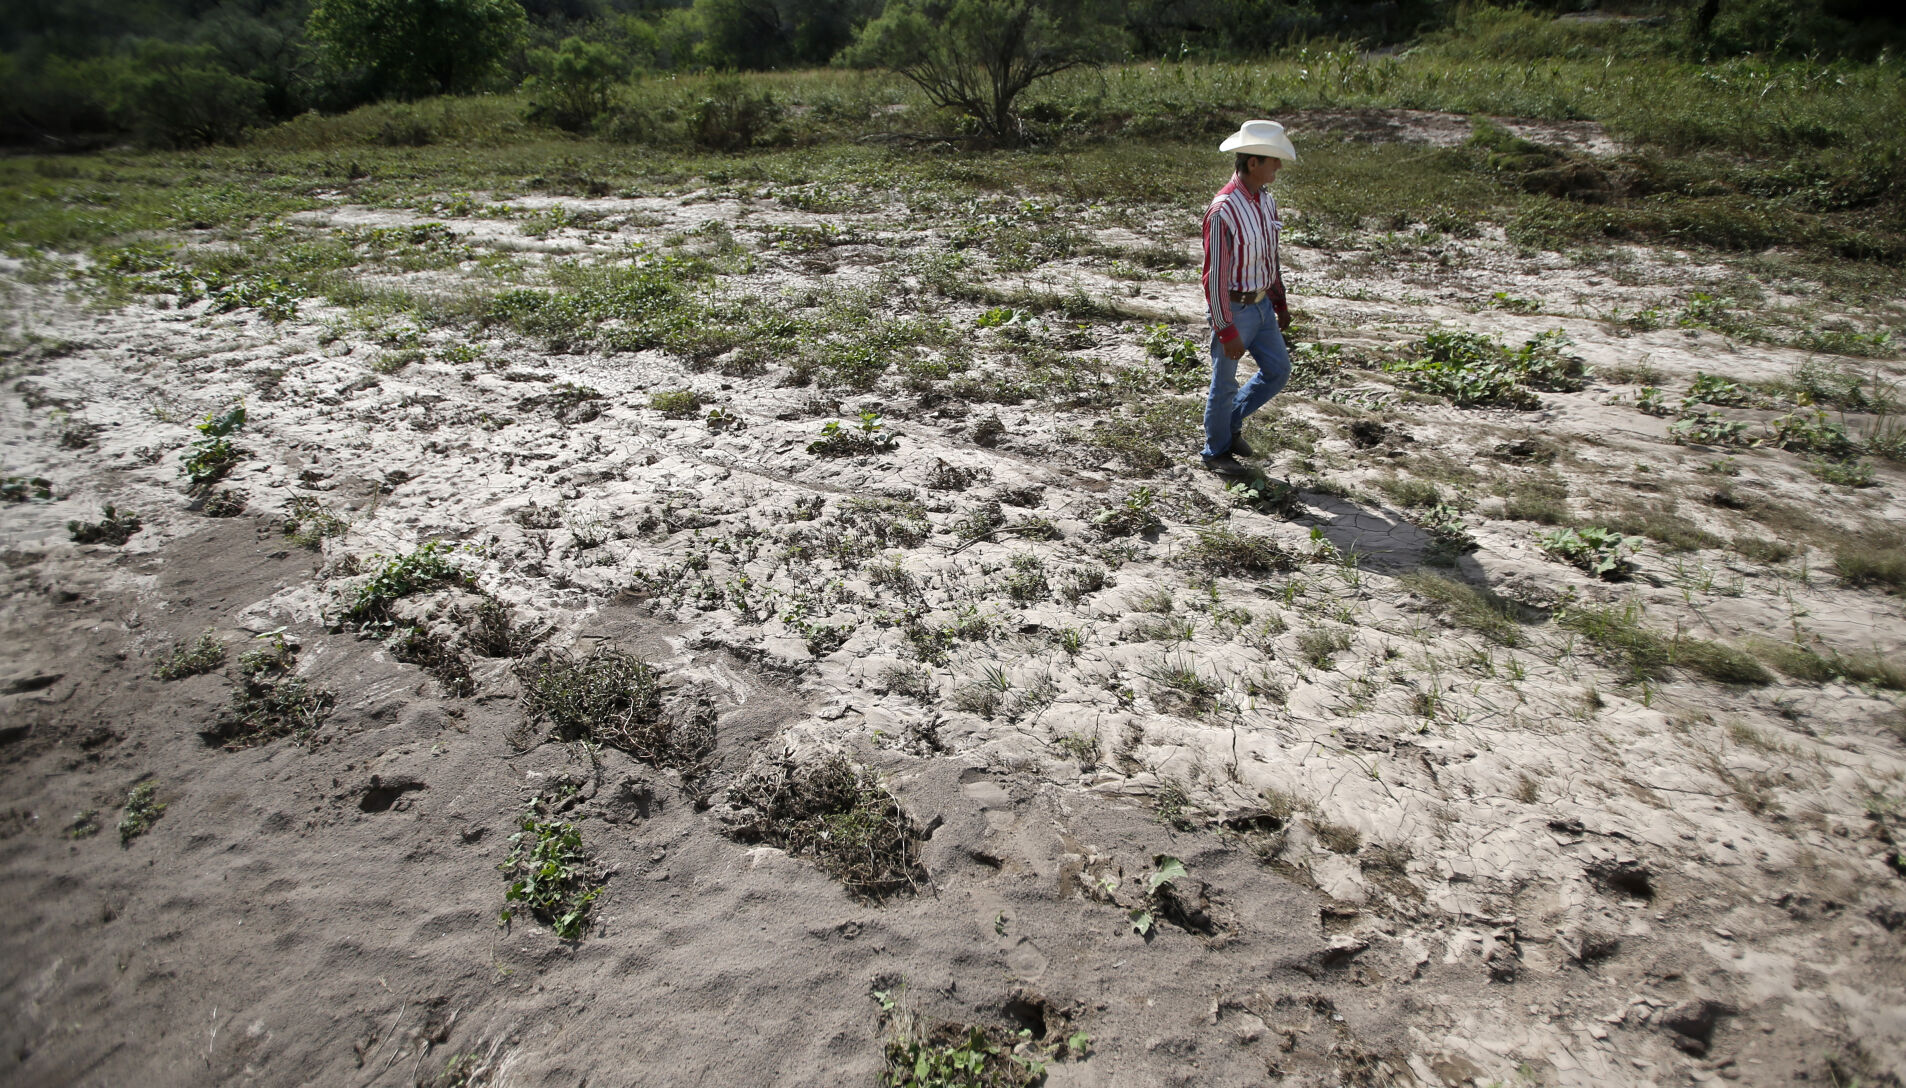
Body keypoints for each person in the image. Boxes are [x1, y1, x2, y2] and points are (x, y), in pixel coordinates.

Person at [1199, 119, 1298, 477]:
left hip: (1262, 305)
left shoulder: (1266, 201)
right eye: (1273, 160)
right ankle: (1215, 451)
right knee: (1224, 384)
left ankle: (1228, 426)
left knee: (1278, 371)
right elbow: (1214, 277)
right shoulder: (1223, 210)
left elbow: (1271, 256)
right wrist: (1226, 329)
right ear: (1253, 163)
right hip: (1234, 308)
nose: (1279, 167)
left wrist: (1279, 301)